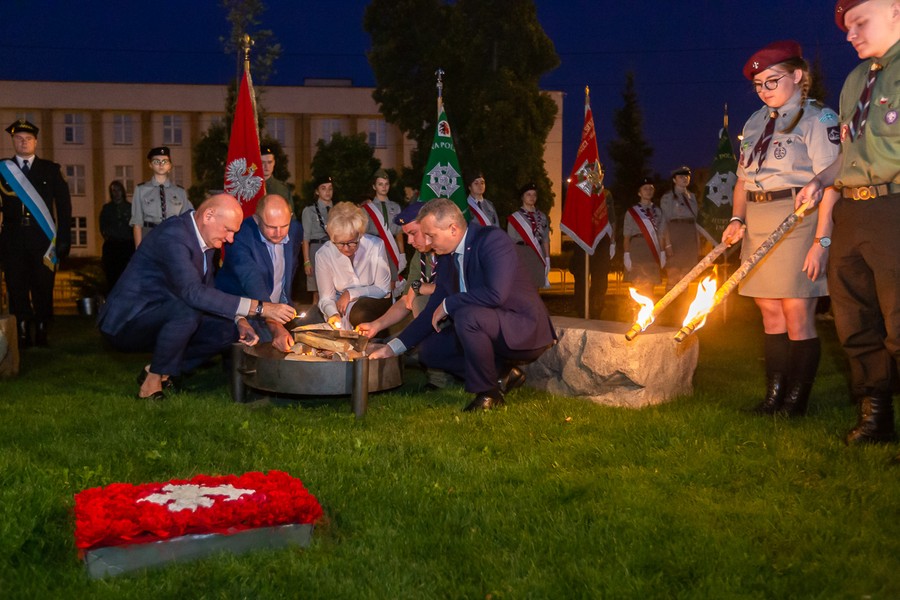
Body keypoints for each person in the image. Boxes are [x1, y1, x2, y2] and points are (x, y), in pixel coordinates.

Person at [796, 0, 900, 444]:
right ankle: (875, 415)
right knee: (854, 319)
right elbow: (849, 154)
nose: (849, 33)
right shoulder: (856, 80)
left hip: (895, 207)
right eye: (846, 24)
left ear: (896, 9)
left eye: (860, 21)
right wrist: (820, 180)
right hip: (852, 212)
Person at [721, 40, 840, 418]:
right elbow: (742, 181)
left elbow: (831, 181)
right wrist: (737, 219)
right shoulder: (755, 121)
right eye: (758, 85)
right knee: (768, 311)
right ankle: (773, 395)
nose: (764, 90)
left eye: (772, 81)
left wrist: (822, 242)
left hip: (798, 219)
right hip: (757, 220)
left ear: (798, 75)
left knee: (796, 312)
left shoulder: (818, 118)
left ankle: (795, 401)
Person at [98, 194, 296, 399]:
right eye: (228, 230)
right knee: (189, 308)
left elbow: (208, 289)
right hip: (127, 320)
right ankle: (151, 386)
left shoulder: (205, 239)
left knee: (228, 331)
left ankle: (161, 369)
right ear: (209, 215)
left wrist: (240, 321)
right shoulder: (174, 236)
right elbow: (193, 293)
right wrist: (261, 308)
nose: (230, 239)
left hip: (165, 313)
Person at [369, 198, 556, 412]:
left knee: (467, 315)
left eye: (431, 235)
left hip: (523, 328)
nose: (428, 242)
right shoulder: (447, 258)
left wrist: (450, 303)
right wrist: (392, 348)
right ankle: (502, 375)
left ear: (453, 229)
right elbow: (431, 310)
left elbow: (496, 295)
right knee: (431, 350)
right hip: (487, 325)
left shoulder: (492, 240)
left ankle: (488, 393)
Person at [0, 119, 72, 348]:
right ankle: (21, 328)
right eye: (19, 139)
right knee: (16, 284)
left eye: (28, 139)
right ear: (13, 141)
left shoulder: (51, 170)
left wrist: (63, 238)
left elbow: (64, 206)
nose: (24, 142)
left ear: (36, 142)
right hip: (12, 237)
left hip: (42, 237)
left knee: (43, 284)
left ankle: (41, 327)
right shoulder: (3, 170)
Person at [215, 194, 302, 352]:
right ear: (256, 219)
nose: (279, 232)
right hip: (241, 309)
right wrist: (274, 323)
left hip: (276, 308)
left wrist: (282, 311)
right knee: (259, 352)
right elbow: (251, 279)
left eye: (284, 225)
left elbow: (288, 273)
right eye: (271, 227)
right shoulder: (240, 235)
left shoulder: (295, 230)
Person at [315, 202, 392, 330]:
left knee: (359, 314)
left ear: (360, 234)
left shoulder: (375, 246)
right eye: (339, 243)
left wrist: (351, 293)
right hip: (341, 307)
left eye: (352, 242)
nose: (346, 248)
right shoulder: (324, 254)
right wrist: (332, 314)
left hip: (374, 302)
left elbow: (383, 289)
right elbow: (326, 298)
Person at [569, 180, 616, 320]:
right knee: (581, 277)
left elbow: (612, 219)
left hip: (601, 240)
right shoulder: (580, 192)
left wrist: (612, 241)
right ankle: (582, 310)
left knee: (600, 278)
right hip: (583, 239)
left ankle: (596, 310)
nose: (598, 175)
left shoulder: (606, 194)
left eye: (601, 172)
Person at [130, 146, 190, 247]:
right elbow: (137, 223)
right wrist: (139, 251)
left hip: (173, 237)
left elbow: (186, 223)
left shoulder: (180, 192)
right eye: (156, 161)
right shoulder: (141, 190)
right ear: (150, 165)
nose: (161, 165)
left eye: (165, 161)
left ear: (170, 165)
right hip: (150, 236)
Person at [361, 169, 405, 290]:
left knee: (392, 281)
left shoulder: (395, 207)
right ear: (374, 186)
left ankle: (390, 305)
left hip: (391, 247)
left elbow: (399, 232)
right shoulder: (367, 208)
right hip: (373, 247)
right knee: (375, 282)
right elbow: (363, 233)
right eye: (380, 184)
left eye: (386, 184)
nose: (384, 187)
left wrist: (402, 254)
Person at [622, 177, 667, 299]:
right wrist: (626, 254)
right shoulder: (632, 212)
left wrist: (662, 252)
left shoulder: (658, 211)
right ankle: (635, 313)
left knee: (651, 283)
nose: (649, 191)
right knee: (638, 283)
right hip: (637, 248)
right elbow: (626, 235)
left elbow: (661, 234)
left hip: (653, 250)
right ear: (639, 193)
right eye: (645, 189)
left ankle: (648, 314)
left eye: (651, 188)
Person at [660, 165, 700, 289]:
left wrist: (697, 242)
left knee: (686, 276)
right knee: (673, 274)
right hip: (674, 235)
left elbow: (696, 221)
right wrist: (667, 244)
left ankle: (683, 307)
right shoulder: (668, 197)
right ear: (674, 180)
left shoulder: (692, 197)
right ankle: (671, 307)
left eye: (687, 176)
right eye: (681, 176)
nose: (684, 178)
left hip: (689, 237)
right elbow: (664, 222)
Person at [507, 182, 550, 289]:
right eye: (528, 194)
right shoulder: (515, 218)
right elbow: (511, 241)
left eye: (534, 195)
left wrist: (548, 258)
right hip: (522, 252)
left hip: (538, 253)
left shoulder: (542, 216)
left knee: (537, 287)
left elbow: (545, 239)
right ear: (522, 197)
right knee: (523, 288)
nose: (532, 197)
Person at [301, 175, 334, 305]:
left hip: (333, 248)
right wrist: (306, 261)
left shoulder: (338, 210)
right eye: (323, 188)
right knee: (317, 290)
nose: (327, 192)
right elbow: (305, 238)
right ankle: (315, 319)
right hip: (316, 249)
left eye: (330, 188)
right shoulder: (309, 211)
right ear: (317, 191)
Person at [99, 180, 135, 291]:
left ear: (122, 191)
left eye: (118, 190)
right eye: (113, 191)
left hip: (127, 246)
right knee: (112, 278)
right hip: (112, 246)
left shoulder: (130, 208)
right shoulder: (107, 209)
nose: (116, 193)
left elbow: (136, 226)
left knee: (128, 277)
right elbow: (103, 227)